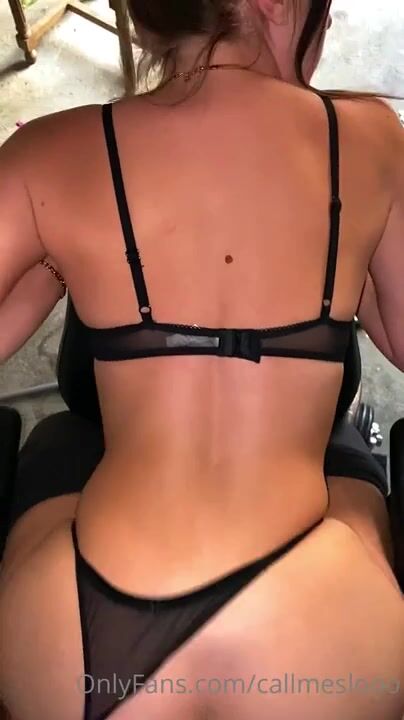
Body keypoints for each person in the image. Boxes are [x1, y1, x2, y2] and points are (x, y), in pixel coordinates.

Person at [0, 0, 403, 718]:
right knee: (356, 484)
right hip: (314, 634)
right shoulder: (370, 134)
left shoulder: (50, 148)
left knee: (51, 467)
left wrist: (56, 259)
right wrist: (354, 255)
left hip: (78, 641)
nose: (328, 27)